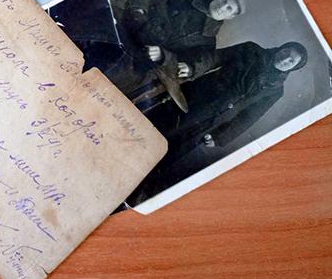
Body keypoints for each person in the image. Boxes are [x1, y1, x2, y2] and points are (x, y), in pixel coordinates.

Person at [128, 40, 309, 203]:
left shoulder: (275, 91)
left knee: (165, 158)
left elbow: (250, 117)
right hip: (191, 103)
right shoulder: (251, 50)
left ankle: (130, 193)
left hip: (209, 124)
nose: (285, 59)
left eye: (291, 61)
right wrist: (192, 68)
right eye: (286, 52)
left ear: (293, 68)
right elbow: (216, 57)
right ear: (281, 48)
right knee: (146, 136)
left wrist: (221, 137)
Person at [98, 0, 245, 108]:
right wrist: (138, 10)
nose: (222, 7)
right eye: (224, 0)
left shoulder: (207, 44)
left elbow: (179, 67)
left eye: (229, 9)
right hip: (124, 31)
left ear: (230, 17)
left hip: (137, 64)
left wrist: (164, 56)